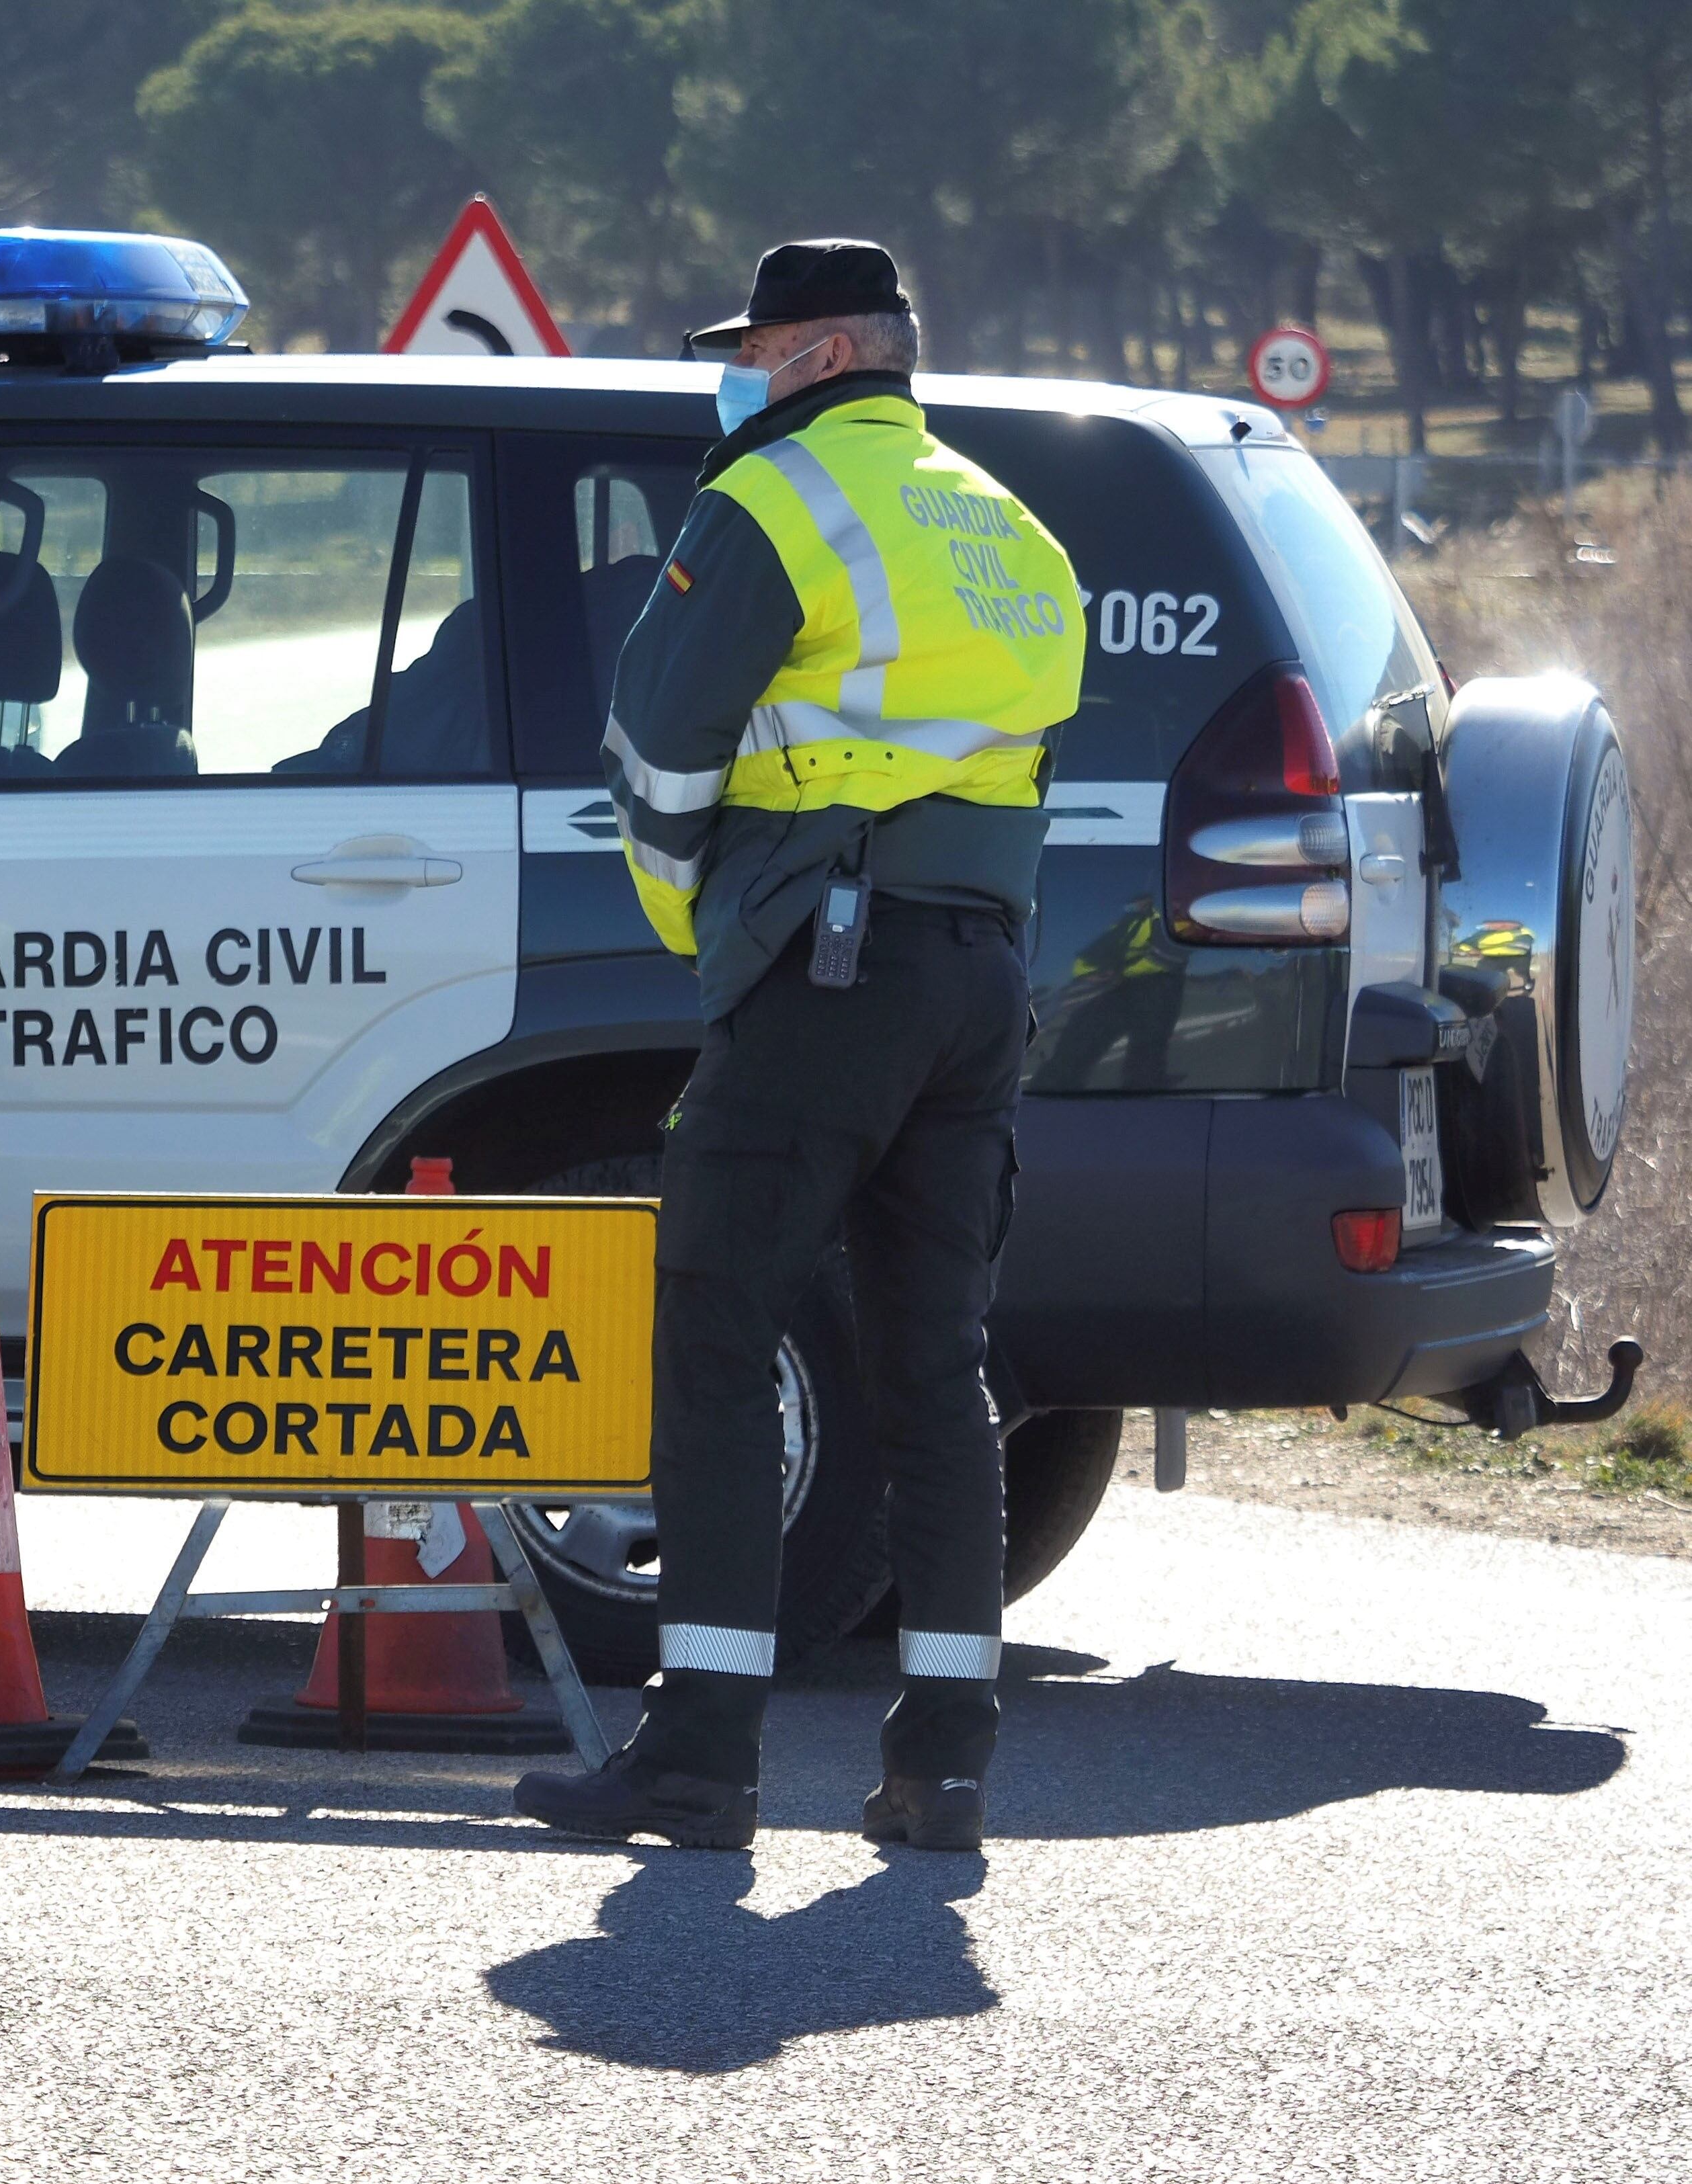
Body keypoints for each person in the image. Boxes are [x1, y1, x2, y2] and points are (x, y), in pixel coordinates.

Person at [512, 241, 1085, 1854]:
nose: (738, 374)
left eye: (756, 348)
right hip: (979, 973)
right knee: (932, 1364)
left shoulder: (773, 499)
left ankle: (696, 1761)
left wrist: (698, 923)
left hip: (824, 962)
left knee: (709, 1325)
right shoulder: (1007, 525)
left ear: (826, 350)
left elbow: (658, 741)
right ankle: (944, 1765)